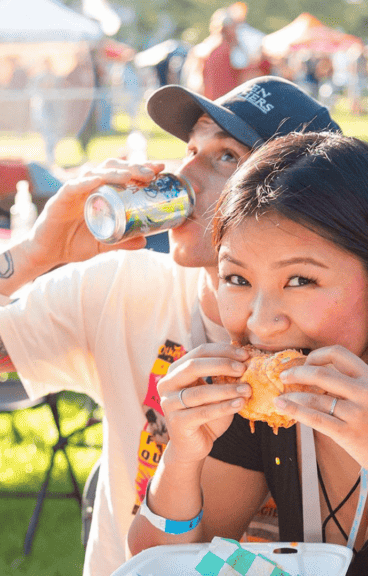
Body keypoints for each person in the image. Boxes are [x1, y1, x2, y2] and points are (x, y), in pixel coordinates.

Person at [0, 75, 340, 576]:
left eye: (226, 157)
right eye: (191, 149)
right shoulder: (120, 288)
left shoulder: (343, 328)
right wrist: (33, 255)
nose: (186, 175)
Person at [126, 132, 368, 576]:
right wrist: (183, 455)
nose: (261, 324)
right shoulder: (255, 400)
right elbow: (159, 563)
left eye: (300, 281)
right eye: (237, 279)